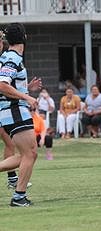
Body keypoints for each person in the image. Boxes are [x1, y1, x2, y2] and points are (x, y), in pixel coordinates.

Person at [0, 23, 39, 207]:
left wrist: (25, 88)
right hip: (14, 109)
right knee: (30, 153)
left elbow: (8, 84)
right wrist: (27, 97)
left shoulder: (10, 57)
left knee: (27, 154)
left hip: (12, 110)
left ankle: (19, 195)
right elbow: (2, 85)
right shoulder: (12, 58)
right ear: (24, 37)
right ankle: (19, 197)